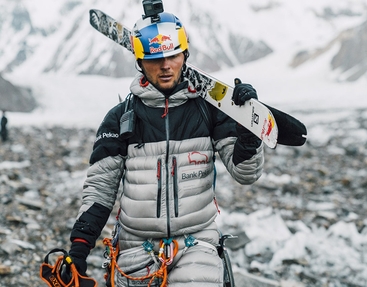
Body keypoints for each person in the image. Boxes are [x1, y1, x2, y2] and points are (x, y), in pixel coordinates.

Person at [66, 12, 264, 287]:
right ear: (140, 62)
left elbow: (246, 173)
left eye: (173, 56)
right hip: (135, 250)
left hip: (197, 246)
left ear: (185, 54)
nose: (166, 66)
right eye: (155, 59)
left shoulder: (211, 111)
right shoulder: (120, 118)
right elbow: (100, 189)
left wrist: (249, 131)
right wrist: (78, 249)